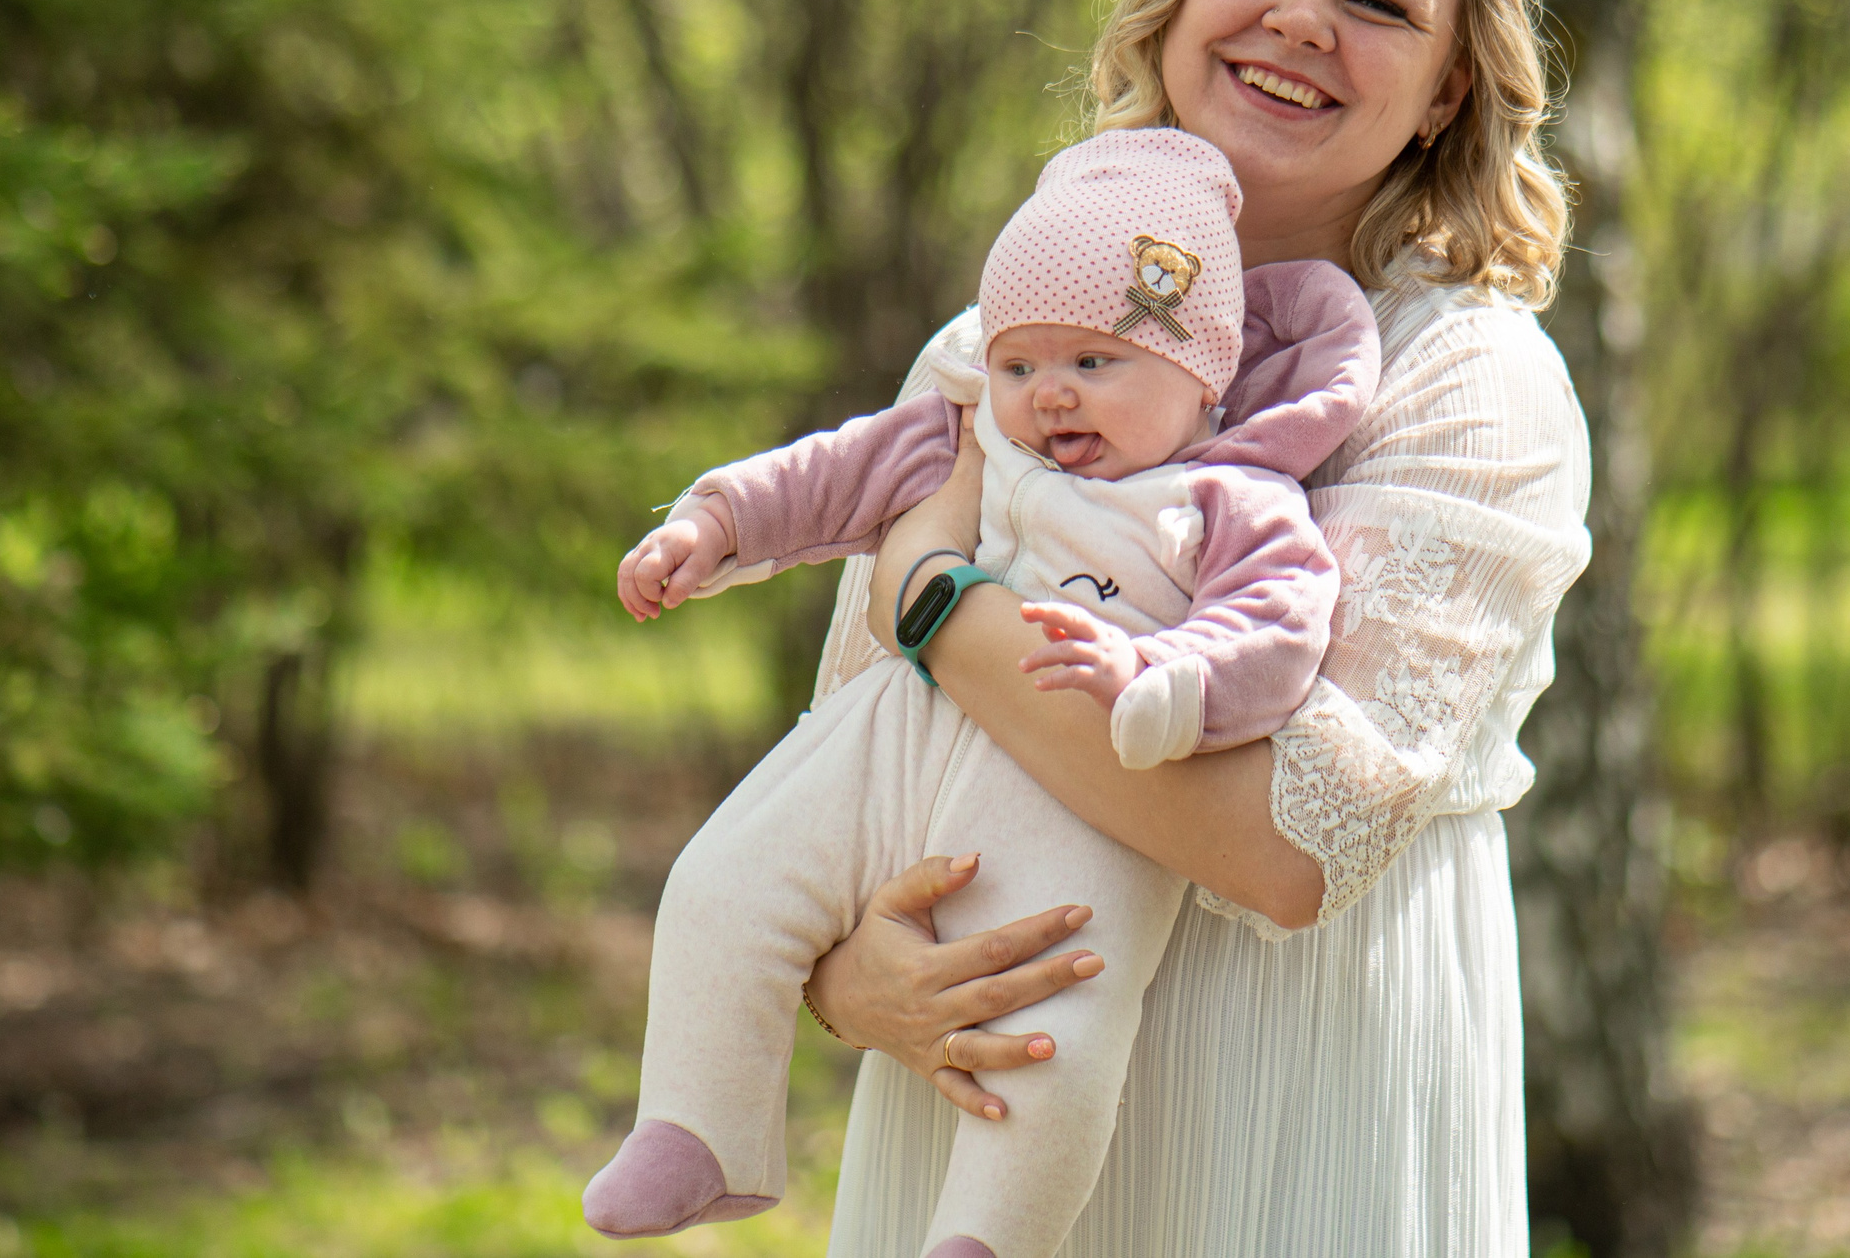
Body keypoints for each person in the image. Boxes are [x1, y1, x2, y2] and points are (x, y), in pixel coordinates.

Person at [796, 0, 1591, 1257]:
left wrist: (934, 597)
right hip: (988, 1105)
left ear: (1447, 94)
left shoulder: (1469, 380)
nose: (1301, 20)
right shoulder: (1005, 343)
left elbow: (1287, 844)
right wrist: (847, 977)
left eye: (1377, 1)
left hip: (1297, 1108)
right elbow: (843, 777)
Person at [585, 127, 1381, 1258]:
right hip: (888, 739)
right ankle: (696, 1128)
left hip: (1081, 791)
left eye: (1094, 364)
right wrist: (708, 524)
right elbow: (825, 472)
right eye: (1020, 364)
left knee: (1057, 1025)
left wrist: (1159, 676)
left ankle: (987, 1240)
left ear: (1198, 376)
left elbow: (1276, 627)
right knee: (723, 883)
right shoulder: (968, 441)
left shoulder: (1223, 497)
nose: (1050, 395)